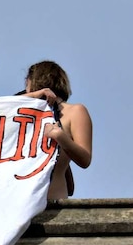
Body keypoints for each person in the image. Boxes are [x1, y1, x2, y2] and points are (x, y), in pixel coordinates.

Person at [24, 60, 92, 200]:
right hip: (21, 205)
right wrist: (32, 96)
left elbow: (85, 159)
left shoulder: (74, 112)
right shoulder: (21, 112)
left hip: (55, 203)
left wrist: (61, 137)